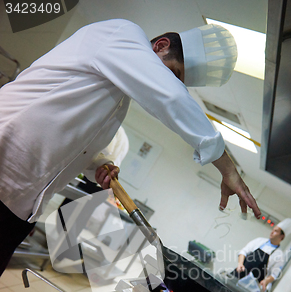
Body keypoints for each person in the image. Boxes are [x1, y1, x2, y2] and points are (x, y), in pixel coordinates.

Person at [0, 19, 261, 276]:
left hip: (20, 205)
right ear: (160, 45)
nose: (165, 82)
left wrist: (97, 165)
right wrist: (227, 168)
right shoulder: (121, 33)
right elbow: (170, 95)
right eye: (171, 73)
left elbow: (74, 142)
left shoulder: (118, 101)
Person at [233, 219, 291, 291]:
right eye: (273, 229)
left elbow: (274, 275)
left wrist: (266, 281)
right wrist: (240, 264)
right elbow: (243, 252)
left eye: (275, 231)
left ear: (281, 237)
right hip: (238, 274)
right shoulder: (259, 241)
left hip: (251, 286)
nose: (272, 232)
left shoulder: (279, 255)